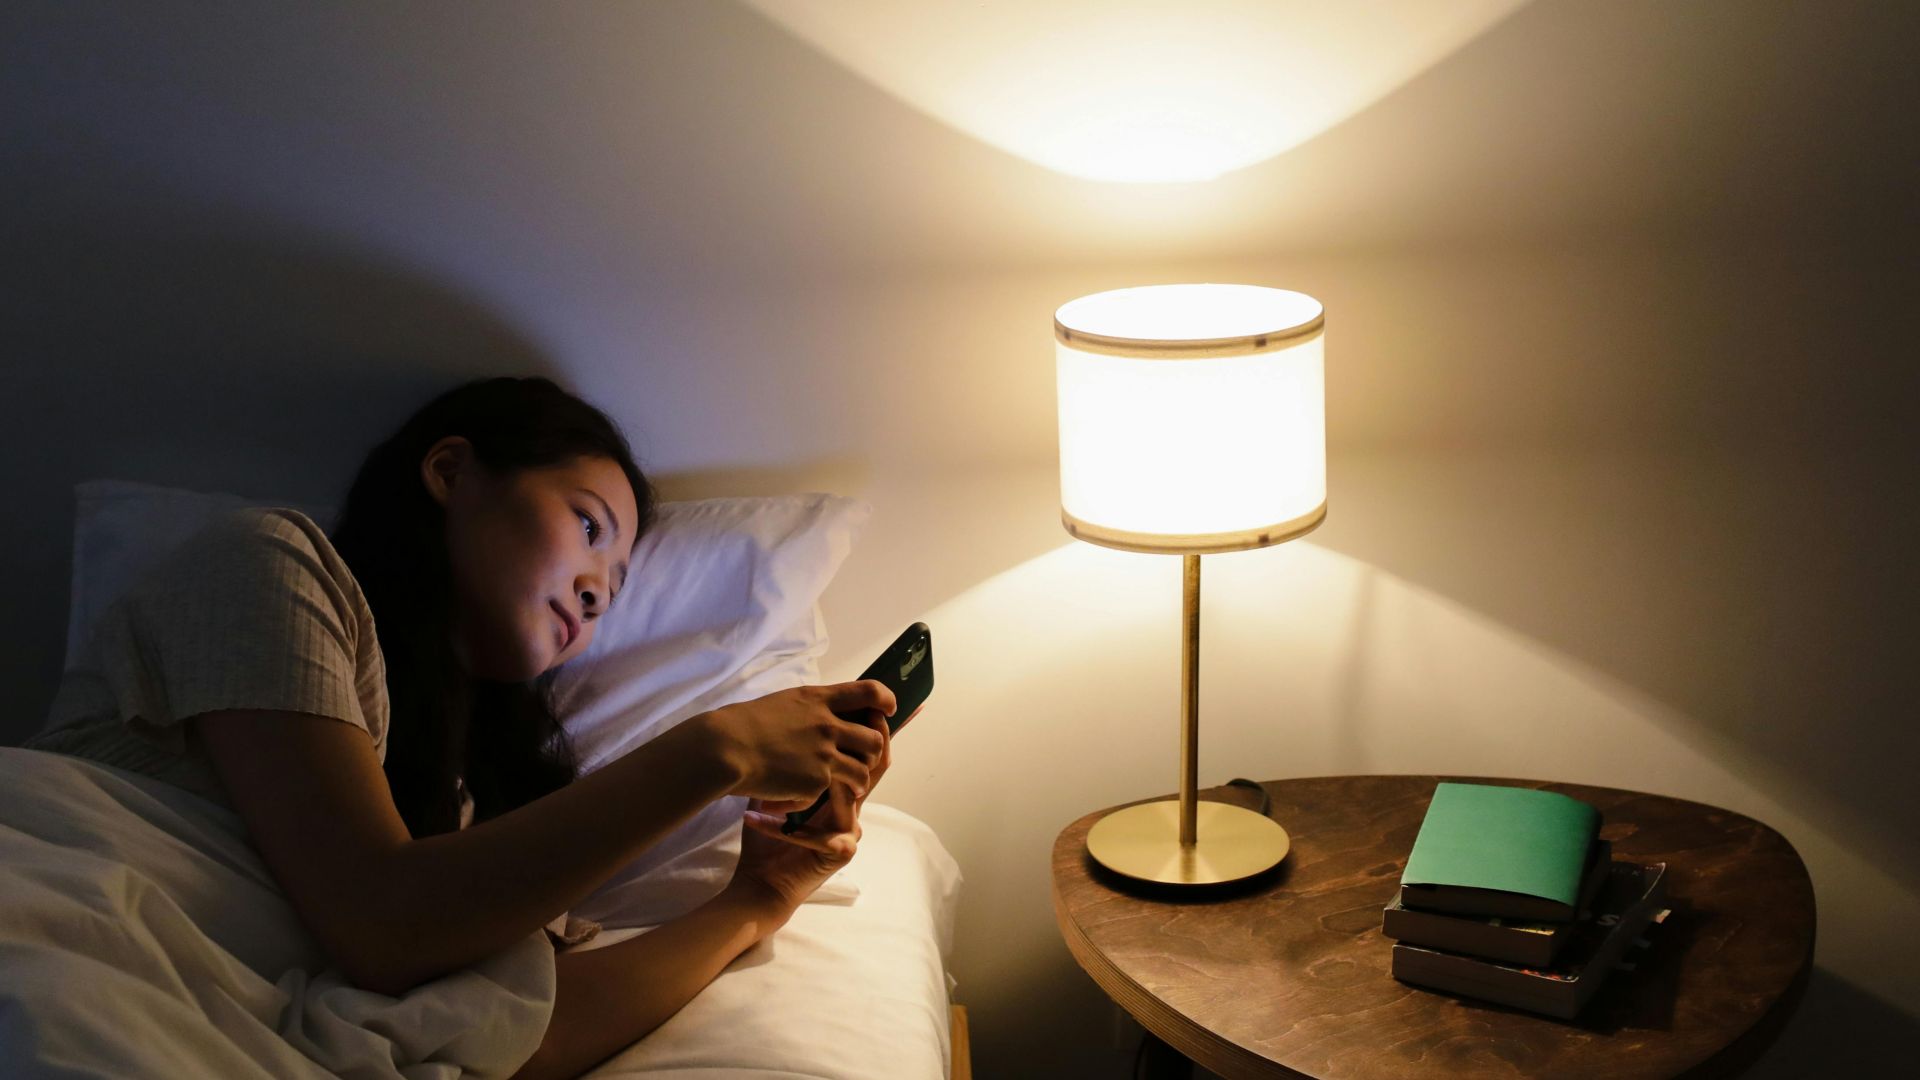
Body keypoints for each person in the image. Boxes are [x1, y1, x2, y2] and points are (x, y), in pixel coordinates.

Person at [23, 376, 896, 1080]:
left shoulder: (473, 811)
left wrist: (760, 900)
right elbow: (383, 924)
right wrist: (716, 749)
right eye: (588, 527)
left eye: (616, 587)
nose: (596, 590)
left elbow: (523, 1037)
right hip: (62, 937)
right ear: (451, 472)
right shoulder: (264, 564)